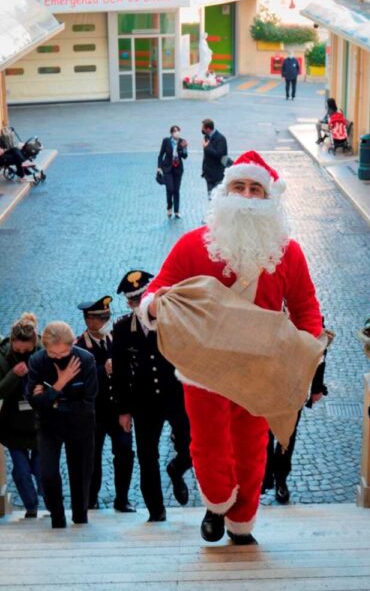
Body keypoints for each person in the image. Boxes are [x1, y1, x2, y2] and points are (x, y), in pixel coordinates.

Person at [141, 150, 323, 545]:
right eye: (238, 186)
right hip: (204, 367)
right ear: (224, 193)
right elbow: (157, 289)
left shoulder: (288, 253)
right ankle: (217, 503)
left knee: (252, 447)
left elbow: (307, 307)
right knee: (208, 443)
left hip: (260, 369)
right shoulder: (193, 245)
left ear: (269, 199)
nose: (245, 194)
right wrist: (154, 306)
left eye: (255, 188)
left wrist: (306, 352)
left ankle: (242, 520)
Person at [112, 270, 192, 523]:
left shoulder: (174, 321)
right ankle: (156, 511)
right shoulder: (123, 328)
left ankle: (177, 469)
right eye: (134, 300)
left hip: (176, 396)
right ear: (129, 303)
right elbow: (121, 372)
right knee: (147, 457)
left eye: (143, 297)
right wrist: (123, 409)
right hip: (144, 402)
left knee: (191, 447)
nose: (139, 304)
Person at [27, 321, 97, 528]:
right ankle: (57, 518)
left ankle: (80, 517)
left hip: (80, 426)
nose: (58, 358)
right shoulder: (37, 361)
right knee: (48, 473)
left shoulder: (86, 360)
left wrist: (53, 401)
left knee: (81, 475)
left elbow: (88, 402)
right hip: (49, 426)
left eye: (63, 353)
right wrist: (60, 383)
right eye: (53, 355)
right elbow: (34, 402)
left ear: (73, 343)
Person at [75, 296, 135, 513]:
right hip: (93, 413)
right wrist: (103, 370)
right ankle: (91, 498)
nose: (106, 322)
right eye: (101, 319)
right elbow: (78, 382)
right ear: (89, 321)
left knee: (125, 451)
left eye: (107, 317)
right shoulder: (80, 346)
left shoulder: (117, 339)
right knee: (92, 456)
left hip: (118, 410)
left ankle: (123, 498)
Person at [262, 342, 329, 504]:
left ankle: (280, 478)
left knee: (288, 433)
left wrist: (316, 387)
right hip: (263, 379)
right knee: (264, 431)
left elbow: (318, 344)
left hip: (295, 382)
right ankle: (265, 476)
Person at [0, 313, 43, 518]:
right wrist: (14, 375)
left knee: (40, 467)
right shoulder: (2, 354)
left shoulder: (44, 351)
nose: (23, 353)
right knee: (21, 469)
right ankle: (31, 507)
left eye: (27, 350)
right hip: (13, 424)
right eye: (18, 350)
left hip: (40, 422)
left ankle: (51, 500)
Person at [157, 125, 188, 219]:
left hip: (178, 169)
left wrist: (184, 148)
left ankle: (177, 211)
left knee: (176, 190)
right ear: (171, 133)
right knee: (170, 189)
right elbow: (161, 155)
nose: (177, 133)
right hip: (167, 168)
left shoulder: (182, 141)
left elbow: (185, 156)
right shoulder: (166, 141)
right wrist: (159, 167)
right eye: (175, 131)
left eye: (178, 131)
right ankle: (169, 207)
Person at [201, 119, 228, 200]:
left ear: (208, 129)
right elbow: (206, 156)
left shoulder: (220, 138)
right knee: (210, 198)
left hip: (217, 174)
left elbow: (219, 154)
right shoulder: (206, 137)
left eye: (203, 128)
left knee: (218, 198)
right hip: (208, 174)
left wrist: (207, 147)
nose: (202, 130)